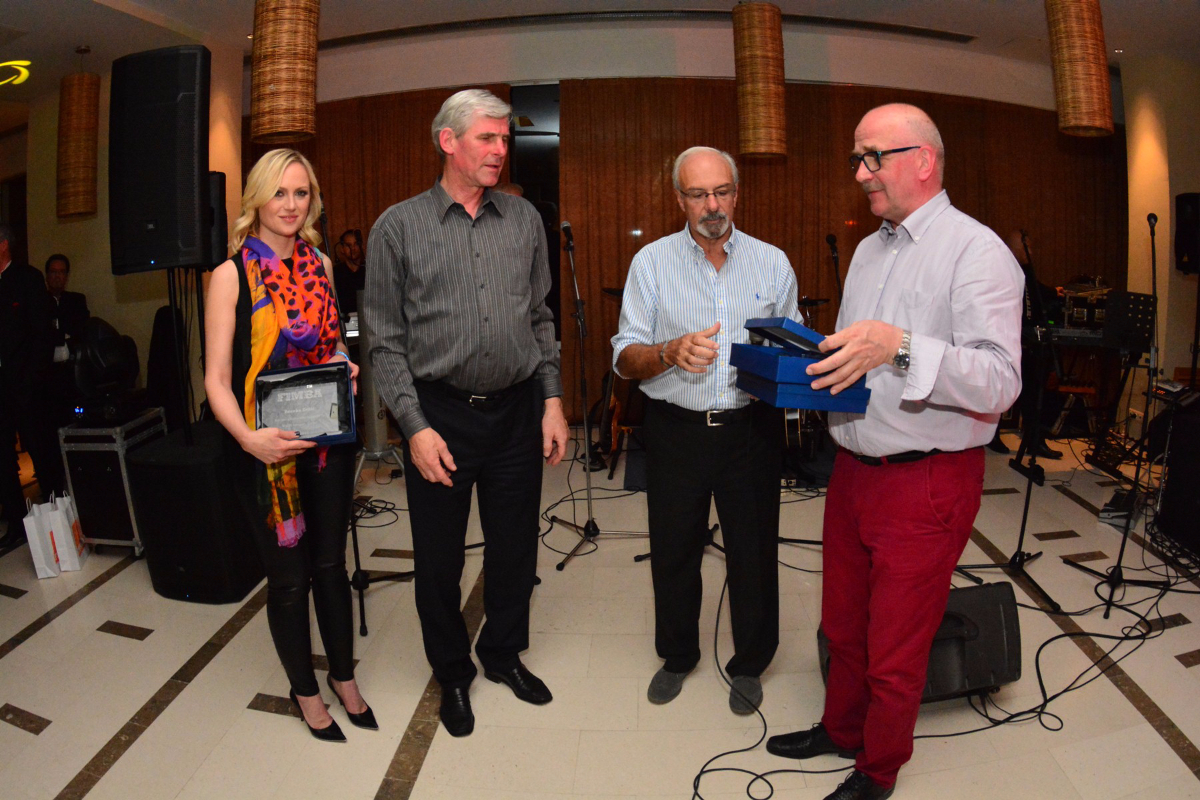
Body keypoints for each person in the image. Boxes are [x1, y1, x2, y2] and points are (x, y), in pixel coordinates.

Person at [765, 104, 1022, 800]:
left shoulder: (977, 252)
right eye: (857, 158)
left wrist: (901, 347)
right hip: (854, 468)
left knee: (896, 644)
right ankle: (841, 728)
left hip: (926, 479)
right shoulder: (871, 249)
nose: (860, 173)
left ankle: (878, 771)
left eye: (873, 157)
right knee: (844, 624)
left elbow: (1000, 381)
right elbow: (860, 360)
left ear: (924, 160)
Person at [363, 88, 569, 738]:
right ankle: (452, 671)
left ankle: (502, 654)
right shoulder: (398, 228)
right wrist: (414, 427)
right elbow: (383, 341)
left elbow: (539, 317)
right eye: (487, 137)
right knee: (439, 560)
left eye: (505, 139)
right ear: (448, 141)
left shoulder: (525, 220)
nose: (501, 150)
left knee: (515, 549)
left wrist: (553, 400)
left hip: (516, 412)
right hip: (440, 416)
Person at [611, 146, 797, 714]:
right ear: (679, 199)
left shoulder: (773, 263)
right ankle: (677, 656)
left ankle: (750, 663)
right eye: (698, 194)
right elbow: (624, 357)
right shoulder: (651, 263)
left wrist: (787, 364)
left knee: (753, 554)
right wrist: (667, 352)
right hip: (677, 431)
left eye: (721, 192)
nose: (712, 205)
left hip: (750, 431)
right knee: (673, 550)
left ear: (737, 194)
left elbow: (793, 345)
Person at [204, 149, 376, 743]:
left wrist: (343, 362)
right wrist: (249, 439)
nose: (290, 204)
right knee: (289, 580)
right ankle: (305, 691)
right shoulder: (231, 276)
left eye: (301, 193)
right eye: (279, 192)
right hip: (263, 452)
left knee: (330, 565)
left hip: (326, 441)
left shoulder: (321, 264)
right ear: (256, 199)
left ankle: (344, 677)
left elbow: (331, 342)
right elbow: (215, 380)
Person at [0, 223, 63, 547]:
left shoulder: (27, 278)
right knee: (3, 458)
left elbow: (42, 336)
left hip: (26, 387)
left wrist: (29, 382)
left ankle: (59, 519)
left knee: (40, 450)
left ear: (3, 245)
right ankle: (15, 524)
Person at [44, 254, 90, 428]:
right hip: (47, 372)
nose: (57, 276)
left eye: (61, 272)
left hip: (72, 369)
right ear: (47, 275)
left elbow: (80, 328)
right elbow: (41, 334)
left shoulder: (76, 300)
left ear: (66, 276)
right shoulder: (39, 301)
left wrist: (59, 331)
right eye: (53, 272)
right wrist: (61, 333)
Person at [332, 229, 366, 316]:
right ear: (342, 249)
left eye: (356, 244)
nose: (353, 248)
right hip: (344, 320)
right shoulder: (335, 272)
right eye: (348, 245)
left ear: (361, 246)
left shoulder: (369, 270)